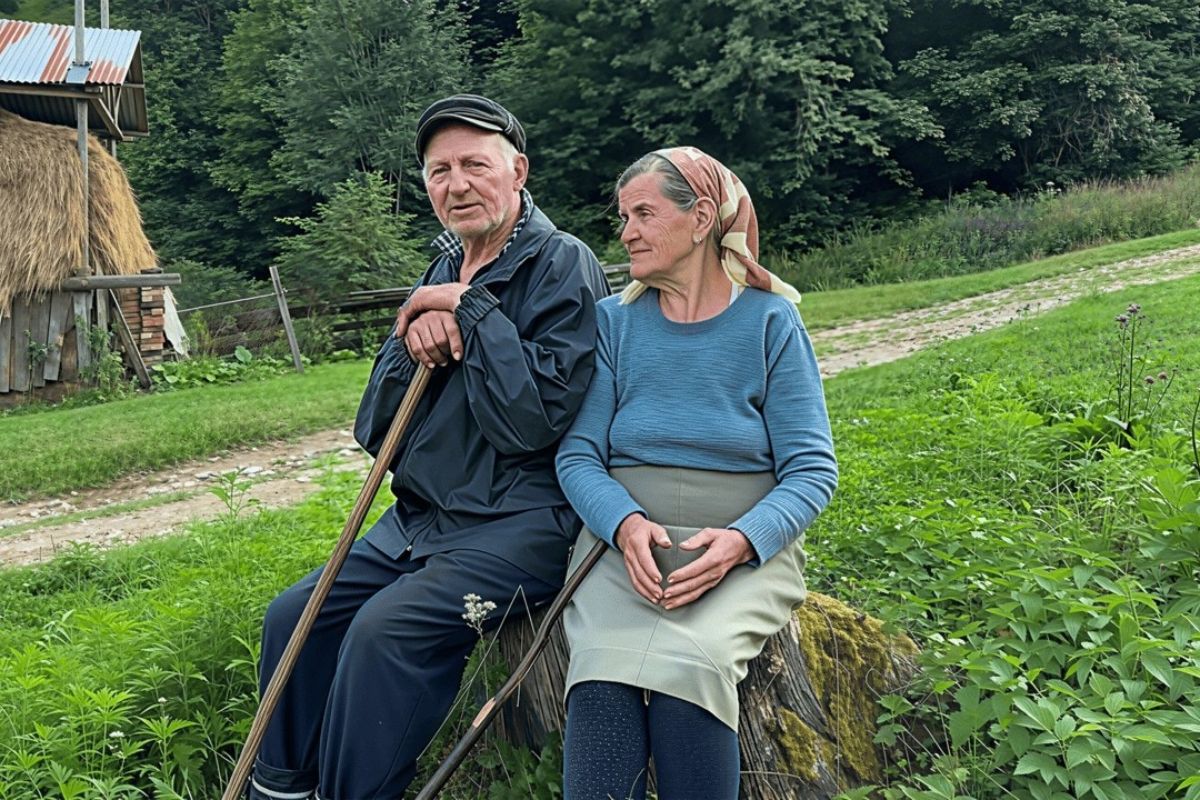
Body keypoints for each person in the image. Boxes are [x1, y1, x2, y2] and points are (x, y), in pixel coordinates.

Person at [249, 94, 610, 800]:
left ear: (517, 171)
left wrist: (470, 312)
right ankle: (280, 788)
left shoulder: (562, 264)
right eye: (440, 171)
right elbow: (376, 431)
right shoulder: (440, 267)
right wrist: (414, 332)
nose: (457, 184)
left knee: (384, 634)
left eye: (475, 165)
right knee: (295, 618)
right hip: (421, 522)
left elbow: (533, 423)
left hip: (520, 523)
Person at [555, 146, 838, 799]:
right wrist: (623, 525)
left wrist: (742, 541)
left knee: (693, 673)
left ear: (702, 217)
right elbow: (577, 455)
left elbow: (812, 469)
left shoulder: (771, 321)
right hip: (623, 553)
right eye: (623, 217)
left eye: (643, 214)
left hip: (738, 552)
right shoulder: (614, 323)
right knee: (599, 679)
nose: (626, 232)